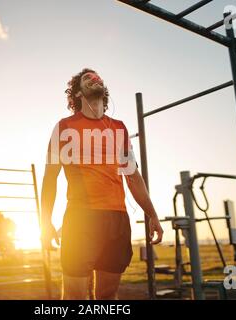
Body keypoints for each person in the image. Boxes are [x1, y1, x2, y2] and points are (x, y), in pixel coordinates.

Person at [41, 68, 163, 300]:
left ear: (104, 90)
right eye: (87, 78)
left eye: (97, 76)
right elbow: (50, 179)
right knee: (75, 297)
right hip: (80, 219)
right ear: (77, 94)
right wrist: (45, 221)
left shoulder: (119, 128)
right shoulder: (64, 127)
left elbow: (133, 177)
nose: (93, 78)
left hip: (117, 220)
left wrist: (152, 215)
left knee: (107, 296)